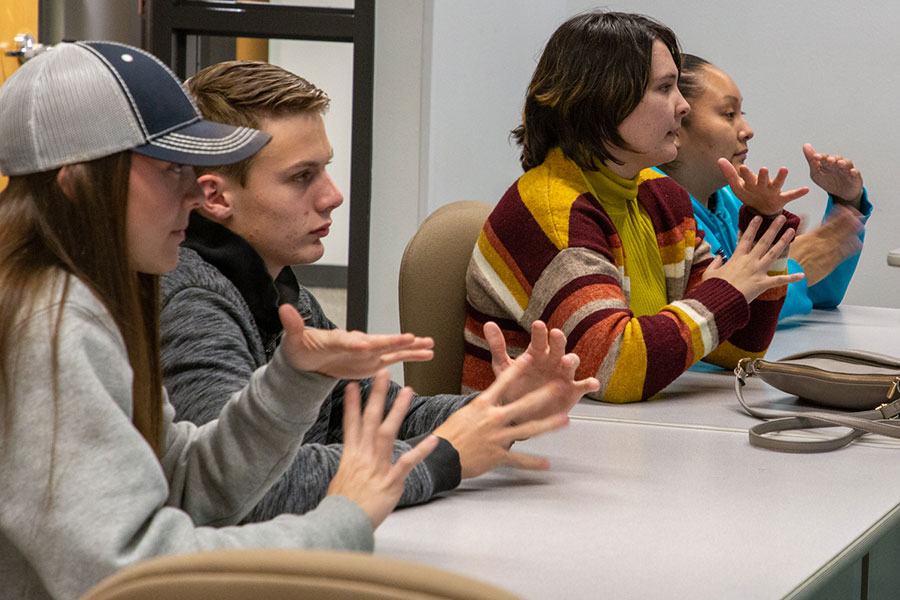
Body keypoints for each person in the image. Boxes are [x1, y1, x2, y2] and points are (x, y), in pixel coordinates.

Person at [0, 41, 584, 600]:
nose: (190, 196)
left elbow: (185, 483)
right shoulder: (53, 324)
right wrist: (347, 519)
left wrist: (292, 381)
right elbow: (127, 574)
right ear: (77, 189)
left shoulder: (97, 298)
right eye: (169, 171)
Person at [158, 60, 598, 518]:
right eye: (301, 177)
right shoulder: (191, 302)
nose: (332, 196)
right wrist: (443, 457)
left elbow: (373, 416)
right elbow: (250, 490)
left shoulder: (277, 290)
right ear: (215, 197)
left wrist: (501, 407)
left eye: (325, 170)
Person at [462, 11, 806, 404]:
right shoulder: (553, 212)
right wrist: (728, 288)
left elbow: (739, 347)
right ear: (605, 100)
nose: (683, 107)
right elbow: (616, 369)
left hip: (611, 432)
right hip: (524, 445)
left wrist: (765, 225)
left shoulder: (660, 194)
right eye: (665, 88)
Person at [656, 54, 870, 320]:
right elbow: (717, 319)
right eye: (729, 114)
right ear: (675, 127)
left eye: (741, 114)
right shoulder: (656, 206)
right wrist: (791, 267)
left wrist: (846, 202)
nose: (747, 130)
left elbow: (820, 294)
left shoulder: (732, 199)